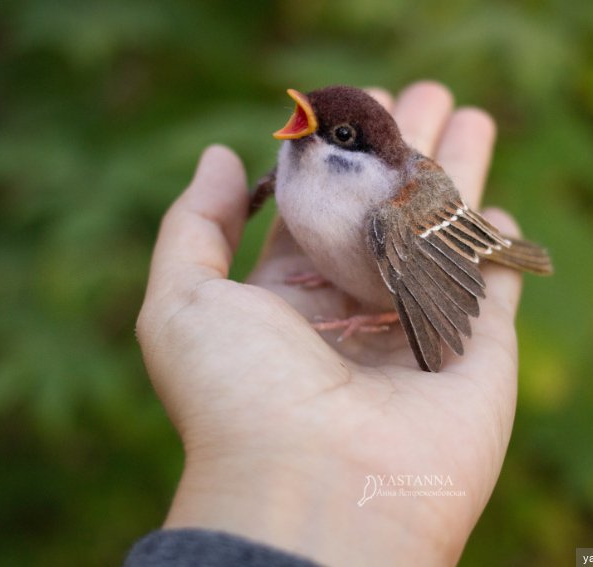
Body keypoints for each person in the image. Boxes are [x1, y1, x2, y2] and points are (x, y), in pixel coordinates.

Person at [128, 81, 524, 566]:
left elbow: (437, 272)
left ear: (356, 146)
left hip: (433, 237)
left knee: (405, 262)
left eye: (333, 131)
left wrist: (384, 316)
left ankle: (421, 290)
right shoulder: (295, 169)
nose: (303, 136)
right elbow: (271, 186)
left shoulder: (392, 204)